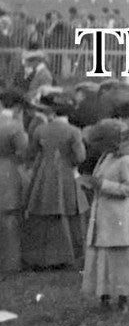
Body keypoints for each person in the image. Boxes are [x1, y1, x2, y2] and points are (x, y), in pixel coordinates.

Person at [81, 124, 129, 311]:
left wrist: (102, 185)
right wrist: (92, 184)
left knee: (121, 258)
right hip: (105, 213)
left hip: (120, 216)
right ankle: (104, 296)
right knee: (104, 257)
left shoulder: (126, 160)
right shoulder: (107, 157)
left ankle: (123, 300)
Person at [22, 92, 87, 269]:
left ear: (52, 113)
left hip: (44, 173)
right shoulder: (74, 131)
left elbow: (31, 153)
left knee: (43, 211)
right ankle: (66, 255)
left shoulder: (40, 129)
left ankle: (40, 257)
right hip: (66, 172)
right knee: (67, 211)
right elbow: (80, 157)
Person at [0, 90, 29, 275]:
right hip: (7, 169)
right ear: (18, 107)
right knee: (9, 216)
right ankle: (10, 263)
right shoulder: (14, 126)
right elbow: (24, 150)